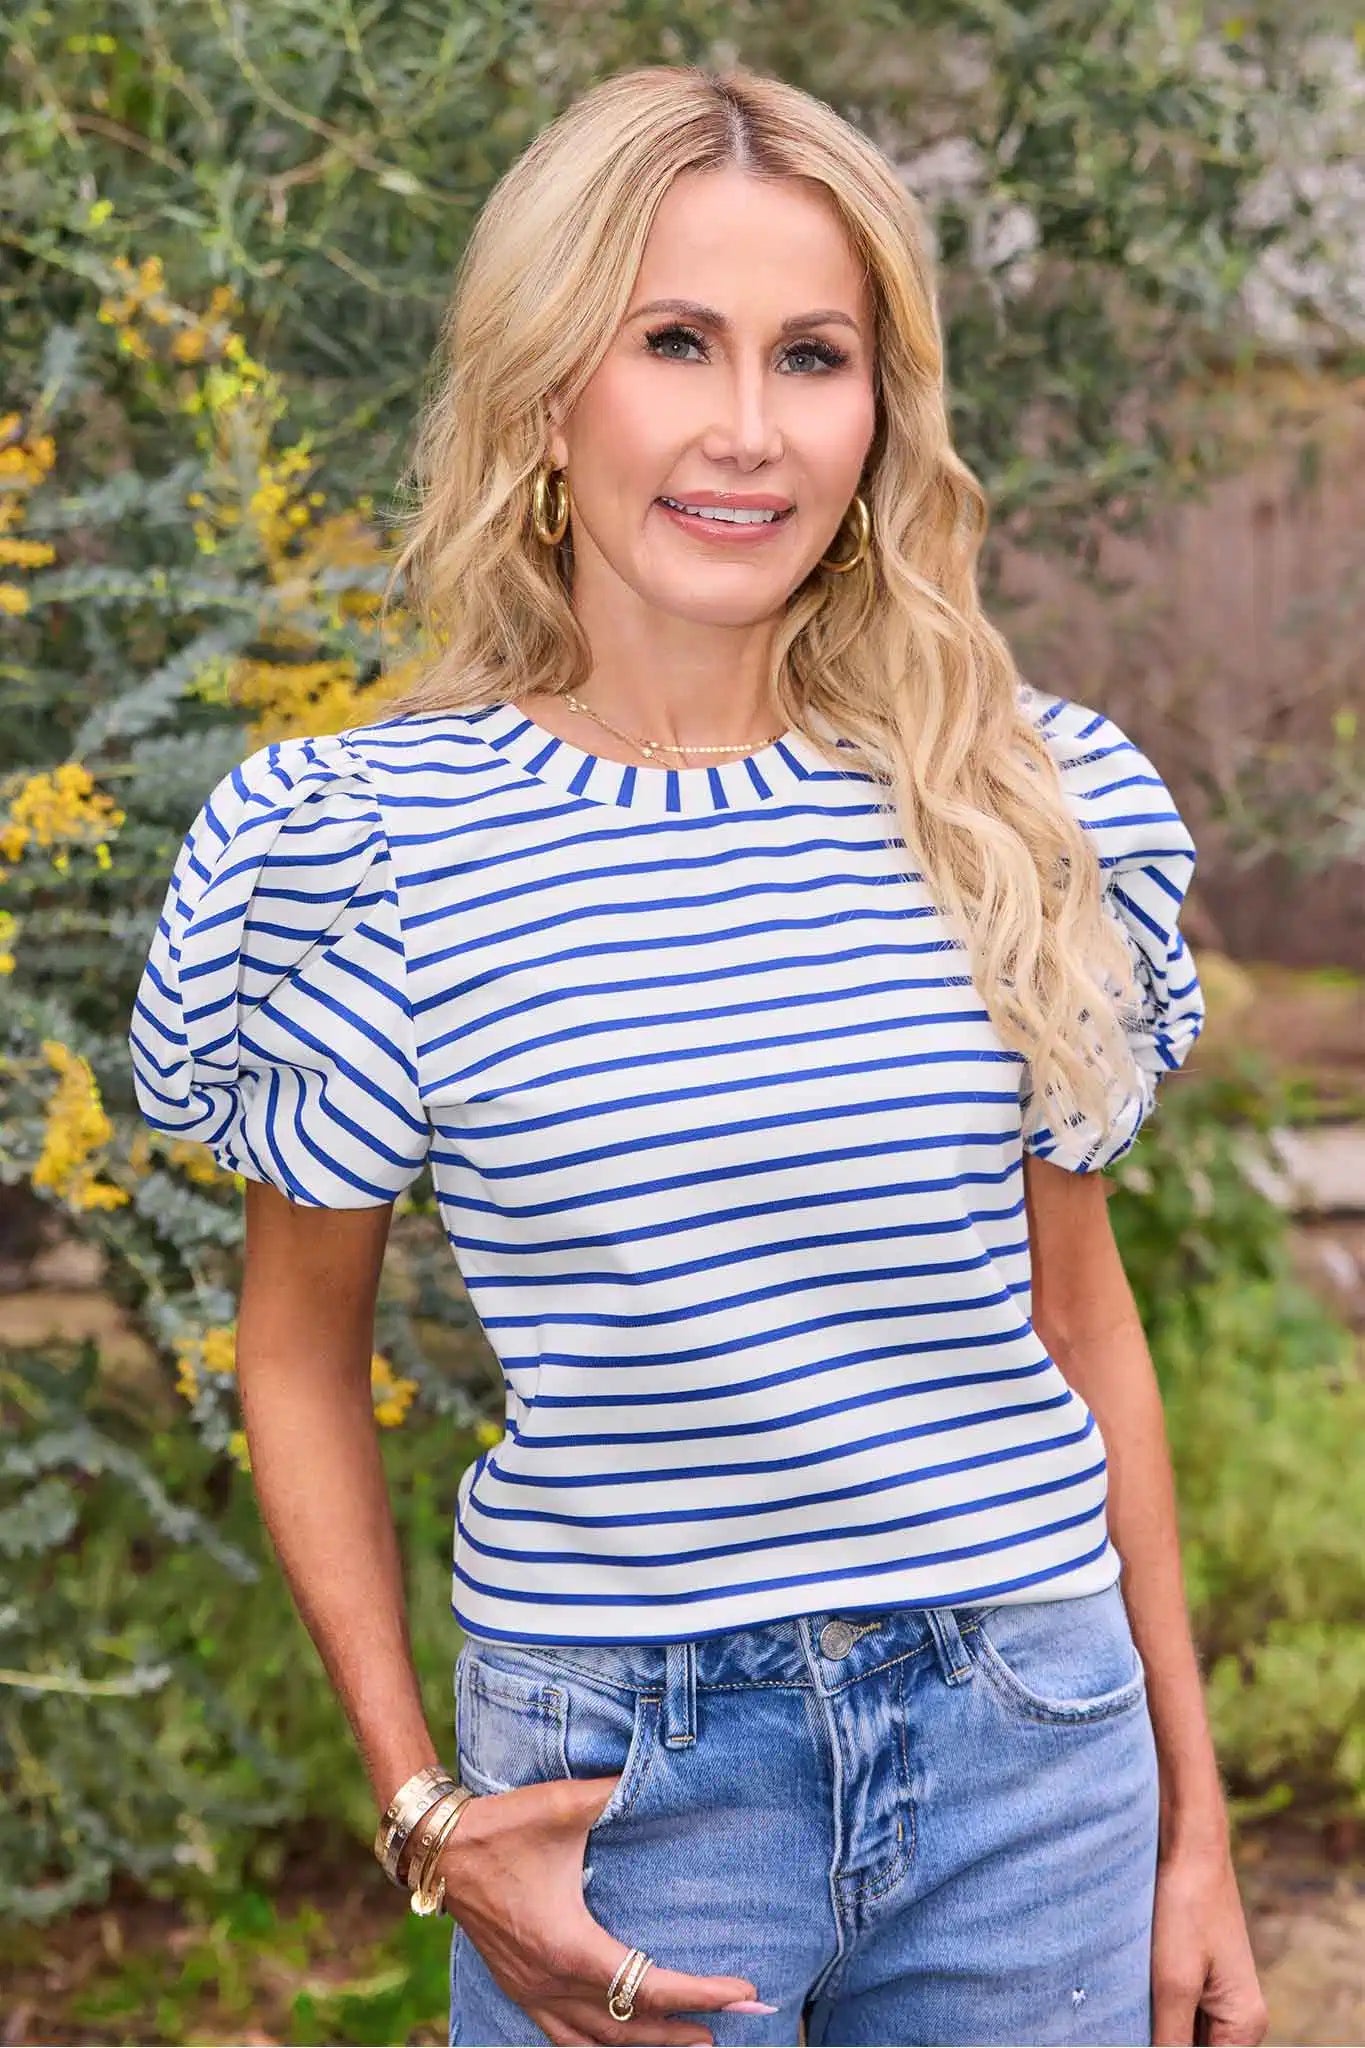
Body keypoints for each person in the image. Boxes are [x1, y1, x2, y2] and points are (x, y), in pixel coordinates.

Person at [127, 61, 1269, 2048]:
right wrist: (425, 1810)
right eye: (675, 342)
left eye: (811, 356)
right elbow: (296, 1351)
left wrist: (1191, 1826)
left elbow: (1080, 1330)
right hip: (623, 1780)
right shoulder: (367, 850)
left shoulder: (1008, 807)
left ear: (875, 415)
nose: (747, 430)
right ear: (548, 394)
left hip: (1028, 1749)